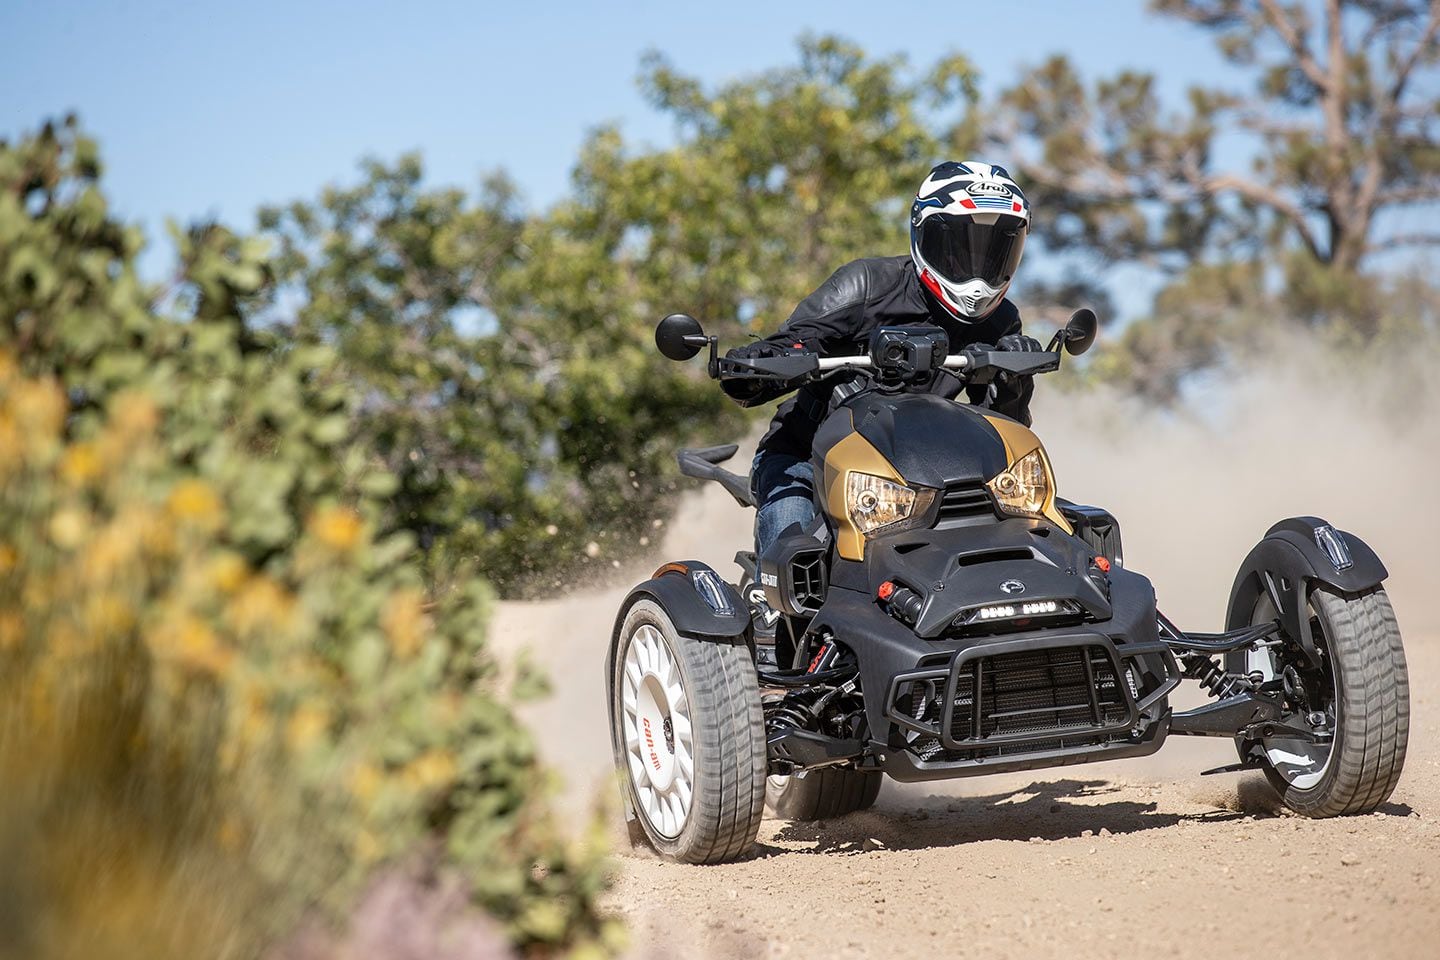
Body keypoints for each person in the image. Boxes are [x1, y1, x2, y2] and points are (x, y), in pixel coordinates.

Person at [722, 160, 1042, 559]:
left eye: (996, 251)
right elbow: (792, 341)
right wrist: (759, 362)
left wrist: (1013, 380)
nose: (978, 270)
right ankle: (770, 610)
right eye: (963, 248)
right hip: (809, 458)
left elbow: (1000, 431)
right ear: (925, 233)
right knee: (793, 548)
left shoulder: (1002, 321)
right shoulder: (865, 285)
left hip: (921, 471)